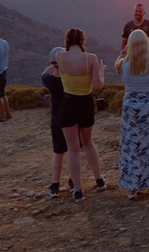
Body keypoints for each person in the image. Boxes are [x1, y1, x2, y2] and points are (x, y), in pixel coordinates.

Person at [115, 29, 149, 201]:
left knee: (133, 146)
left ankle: (132, 188)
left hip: (132, 108)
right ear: (147, 45)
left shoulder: (123, 65)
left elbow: (116, 62)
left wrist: (124, 51)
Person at [56, 28, 107, 203]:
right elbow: (98, 86)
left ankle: (77, 190)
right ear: (83, 41)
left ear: (68, 40)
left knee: (72, 148)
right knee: (88, 143)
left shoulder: (60, 57)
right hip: (85, 103)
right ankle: (99, 179)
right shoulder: (91, 59)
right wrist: (101, 71)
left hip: (67, 103)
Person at [41, 47, 75, 198]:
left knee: (58, 153)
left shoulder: (49, 80)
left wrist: (54, 63)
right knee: (73, 152)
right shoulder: (71, 77)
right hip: (72, 117)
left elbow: (45, 72)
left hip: (56, 119)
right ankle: (73, 181)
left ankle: (55, 185)